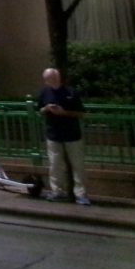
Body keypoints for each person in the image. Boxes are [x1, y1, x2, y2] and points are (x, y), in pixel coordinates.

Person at [38, 66, 90, 205]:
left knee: (77, 165)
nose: (52, 81)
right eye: (49, 79)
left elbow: (81, 113)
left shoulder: (71, 92)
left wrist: (64, 112)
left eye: (54, 78)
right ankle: (57, 191)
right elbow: (40, 109)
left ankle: (81, 194)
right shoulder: (44, 92)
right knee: (55, 165)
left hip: (71, 133)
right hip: (53, 133)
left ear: (58, 78)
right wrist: (46, 109)